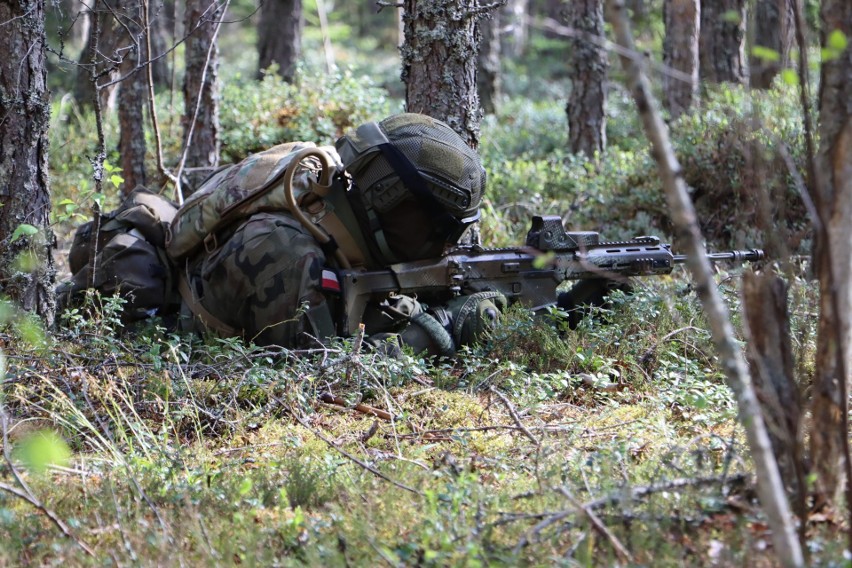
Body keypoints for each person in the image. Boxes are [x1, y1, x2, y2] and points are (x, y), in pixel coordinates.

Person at [170, 113, 505, 356]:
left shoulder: (349, 226)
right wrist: (440, 329)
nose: (450, 243)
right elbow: (322, 375)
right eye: (448, 228)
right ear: (390, 199)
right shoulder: (285, 252)